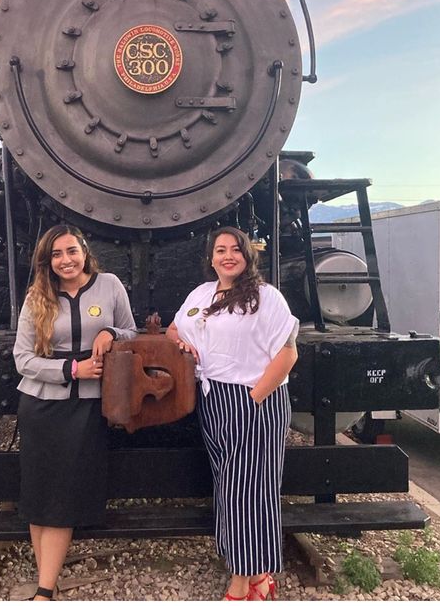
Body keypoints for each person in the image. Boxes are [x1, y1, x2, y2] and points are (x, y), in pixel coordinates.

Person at [167, 227, 300, 601]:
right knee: (230, 488)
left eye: (235, 250)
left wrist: (254, 398)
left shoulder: (266, 297)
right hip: (213, 399)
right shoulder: (202, 294)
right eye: (220, 250)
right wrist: (182, 344)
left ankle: (243, 582)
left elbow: (288, 353)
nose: (228, 256)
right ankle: (257, 572)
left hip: (253, 398)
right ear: (211, 258)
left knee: (249, 491)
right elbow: (176, 327)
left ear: (247, 256)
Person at [12, 224, 138, 601]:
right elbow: (22, 358)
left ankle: (44, 590)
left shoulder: (110, 285)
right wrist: (70, 370)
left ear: (84, 252)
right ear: (47, 261)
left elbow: (132, 331)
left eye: (71, 251)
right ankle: (45, 584)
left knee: (61, 496)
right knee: (38, 494)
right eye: (56, 254)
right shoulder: (38, 296)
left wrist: (111, 333)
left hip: (85, 407)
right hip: (40, 404)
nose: (65, 260)